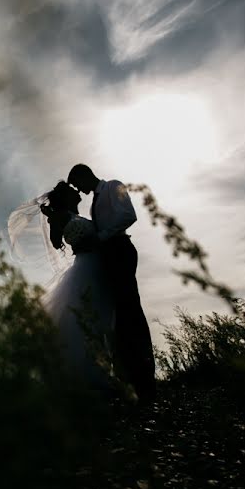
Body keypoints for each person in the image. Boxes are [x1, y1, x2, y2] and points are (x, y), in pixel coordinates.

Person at [67, 163, 156, 404]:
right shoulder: (95, 200)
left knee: (130, 310)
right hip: (108, 254)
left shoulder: (113, 187)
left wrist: (100, 237)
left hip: (120, 250)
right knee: (118, 314)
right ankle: (127, 374)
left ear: (85, 175)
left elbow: (129, 215)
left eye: (78, 184)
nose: (79, 190)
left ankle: (144, 376)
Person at [37, 181, 114, 389]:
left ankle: (103, 373)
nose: (76, 190)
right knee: (86, 320)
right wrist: (54, 220)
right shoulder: (61, 216)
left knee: (100, 320)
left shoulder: (79, 214)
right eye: (72, 190)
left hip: (98, 266)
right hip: (85, 268)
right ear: (66, 197)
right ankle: (85, 379)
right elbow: (55, 242)